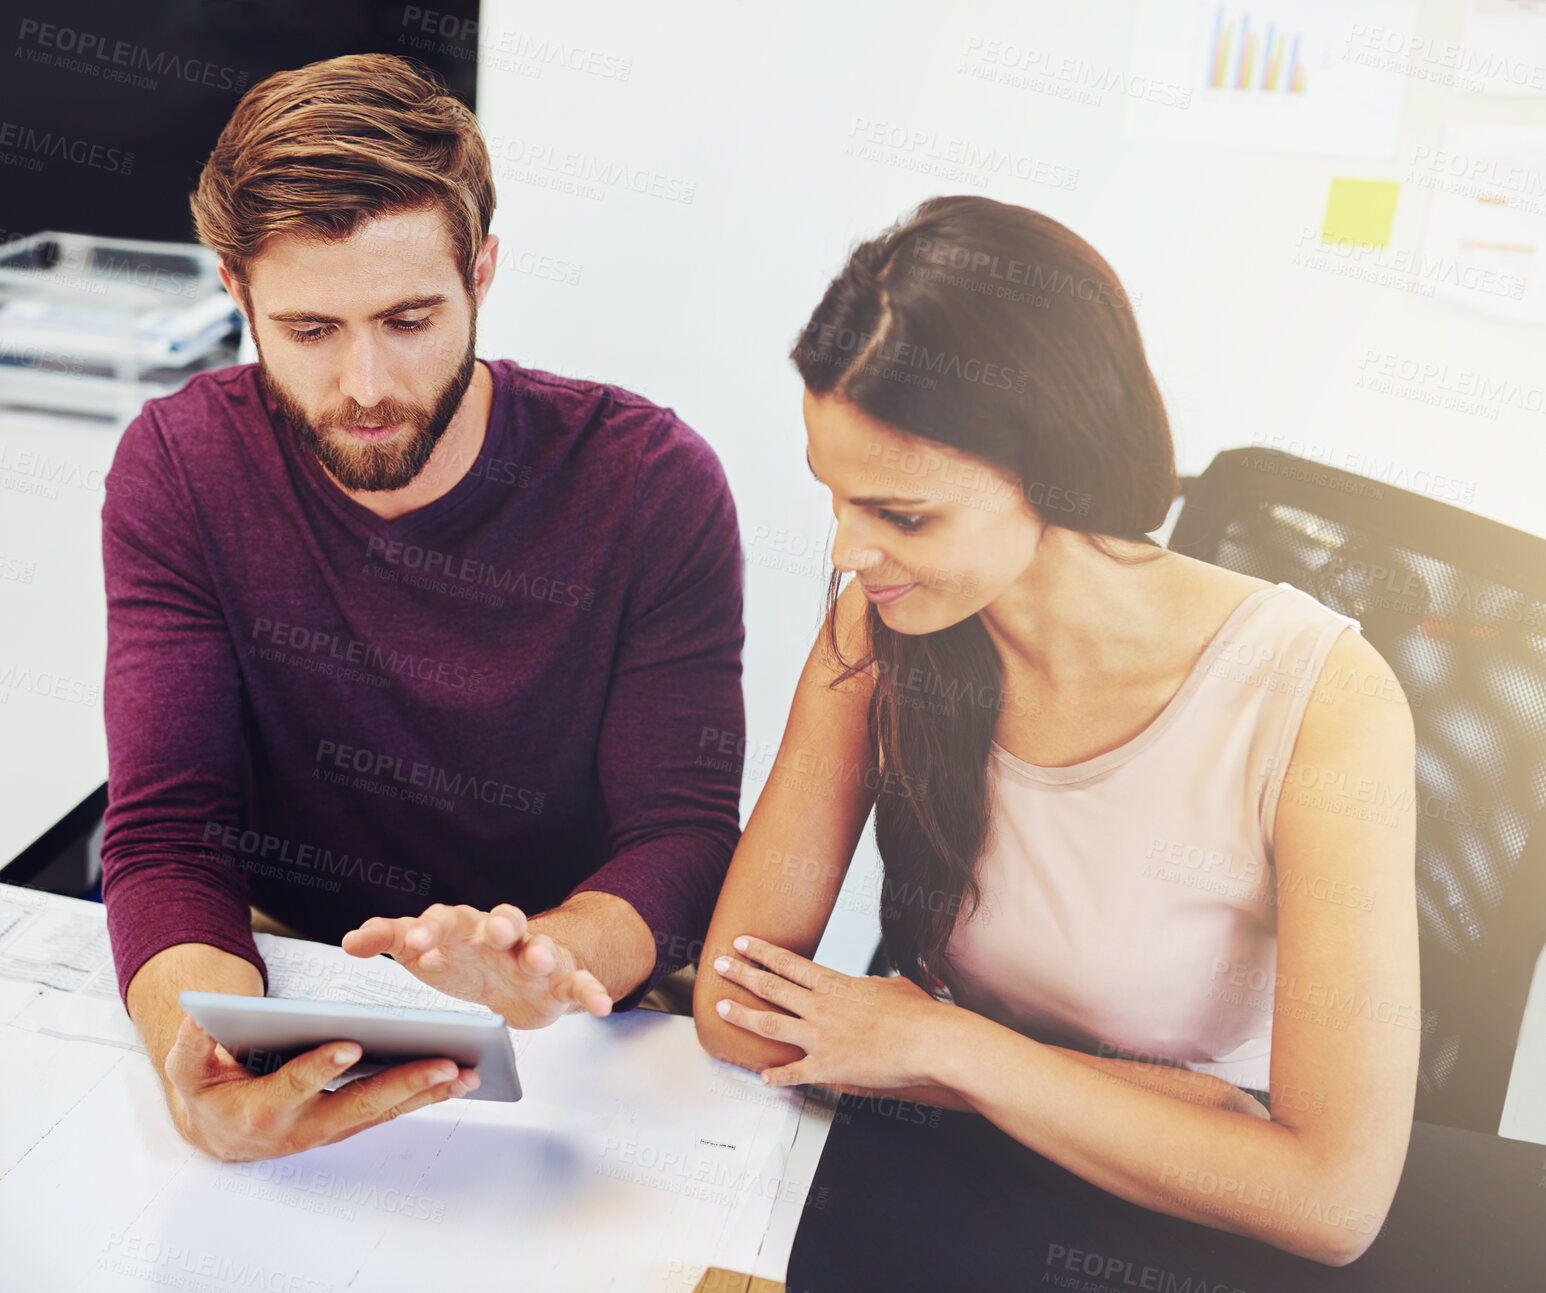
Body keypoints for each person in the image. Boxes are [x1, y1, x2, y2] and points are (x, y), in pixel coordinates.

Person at [693, 195, 1419, 1267]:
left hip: (1186, 1227)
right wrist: (1146, 1099)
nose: (848, 553)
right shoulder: (884, 630)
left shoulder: (1320, 698)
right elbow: (731, 1004)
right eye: (834, 498)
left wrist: (934, 1045)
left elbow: (1329, 1199)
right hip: (967, 1178)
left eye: (902, 515)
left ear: (1056, 469)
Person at [100, 53, 745, 1162]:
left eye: (408, 319)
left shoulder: (649, 482)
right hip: (284, 969)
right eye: (308, 332)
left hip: (580, 1004)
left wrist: (540, 965)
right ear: (233, 289)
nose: (363, 387)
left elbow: (677, 839)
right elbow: (167, 835)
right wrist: (192, 1057)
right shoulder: (180, 466)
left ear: (481, 271)